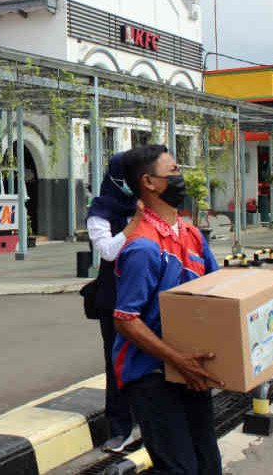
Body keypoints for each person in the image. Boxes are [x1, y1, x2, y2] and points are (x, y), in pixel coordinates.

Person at [114, 144, 223, 474]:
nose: (181, 177)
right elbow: (125, 320)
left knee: (208, 464)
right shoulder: (144, 247)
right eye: (173, 171)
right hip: (151, 374)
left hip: (188, 368)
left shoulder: (190, 234)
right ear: (149, 182)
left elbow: (218, 291)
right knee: (179, 468)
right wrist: (178, 360)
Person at [86, 151, 142, 453]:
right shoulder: (101, 211)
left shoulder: (147, 205)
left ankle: (146, 421)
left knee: (149, 362)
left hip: (146, 296)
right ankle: (119, 427)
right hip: (115, 299)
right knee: (117, 363)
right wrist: (135, 224)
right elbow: (107, 251)